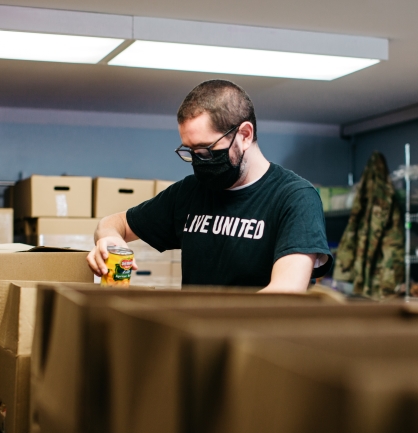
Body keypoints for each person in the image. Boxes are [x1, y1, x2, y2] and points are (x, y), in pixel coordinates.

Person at [87, 79, 332, 293]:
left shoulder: (295, 198)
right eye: (191, 151)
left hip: (255, 344)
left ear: (245, 135)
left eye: (207, 150)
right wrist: (109, 238)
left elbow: (286, 292)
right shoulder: (190, 192)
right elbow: (114, 223)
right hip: (196, 340)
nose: (199, 161)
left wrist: (207, 324)